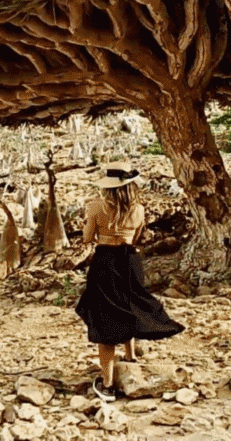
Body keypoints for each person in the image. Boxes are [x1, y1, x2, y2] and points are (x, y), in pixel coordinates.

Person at [74, 161, 185, 402]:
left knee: (106, 317)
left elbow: (86, 238)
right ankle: (131, 356)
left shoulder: (96, 206)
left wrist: (101, 231)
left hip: (105, 261)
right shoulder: (139, 209)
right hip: (130, 260)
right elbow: (136, 237)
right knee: (127, 305)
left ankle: (107, 385)